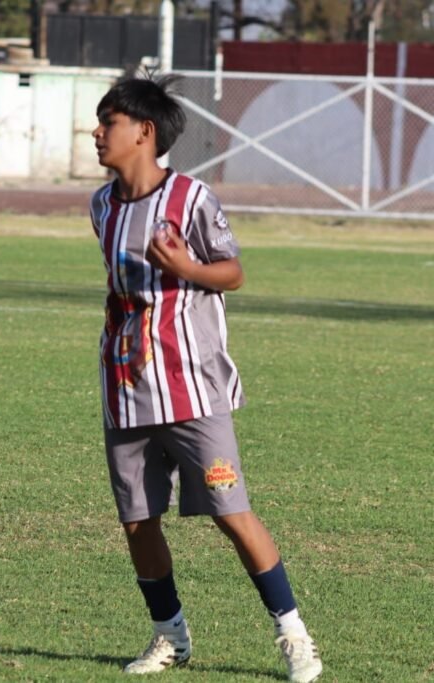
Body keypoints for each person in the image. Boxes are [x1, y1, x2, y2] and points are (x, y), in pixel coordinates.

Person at [88, 73, 323, 682]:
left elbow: (233, 273)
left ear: (144, 132)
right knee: (137, 521)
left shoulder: (191, 199)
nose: (96, 133)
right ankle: (170, 636)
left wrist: (187, 266)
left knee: (231, 512)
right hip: (126, 386)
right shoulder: (101, 205)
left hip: (192, 389)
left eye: (108, 122)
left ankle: (294, 634)